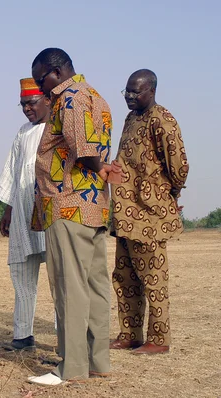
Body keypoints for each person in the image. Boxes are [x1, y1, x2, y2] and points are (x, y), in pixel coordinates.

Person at [28, 48, 120, 386]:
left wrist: (99, 165)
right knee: (96, 285)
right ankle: (98, 362)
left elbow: (81, 144)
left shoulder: (68, 98)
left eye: (41, 80)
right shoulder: (97, 96)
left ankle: (72, 368)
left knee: (70, 287)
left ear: (56, 70)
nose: (40, 89)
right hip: (95, 205)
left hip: (67, 204)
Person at [109, 69, 189, 355]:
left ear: (151, 91)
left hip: (149, 215)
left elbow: (179, 166)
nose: (129, 97)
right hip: (124, 213)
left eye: (135, 92)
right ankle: (130, 334)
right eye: (126, 92)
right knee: (124, 276)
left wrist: (168, 193)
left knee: (153, 278)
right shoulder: (131, 119)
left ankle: (159, 340)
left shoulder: (162, 120)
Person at [0, 78, 49, 351]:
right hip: (23, 212)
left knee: (61, 277)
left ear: (47, 100)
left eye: (32, 103)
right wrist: (8, 209)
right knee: (22, 273)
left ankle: (70, 338)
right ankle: (23, 335)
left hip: (51, 213)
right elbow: (12, 172)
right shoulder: (22, 132)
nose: (27, 109)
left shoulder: (58, 129)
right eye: (23, 104)